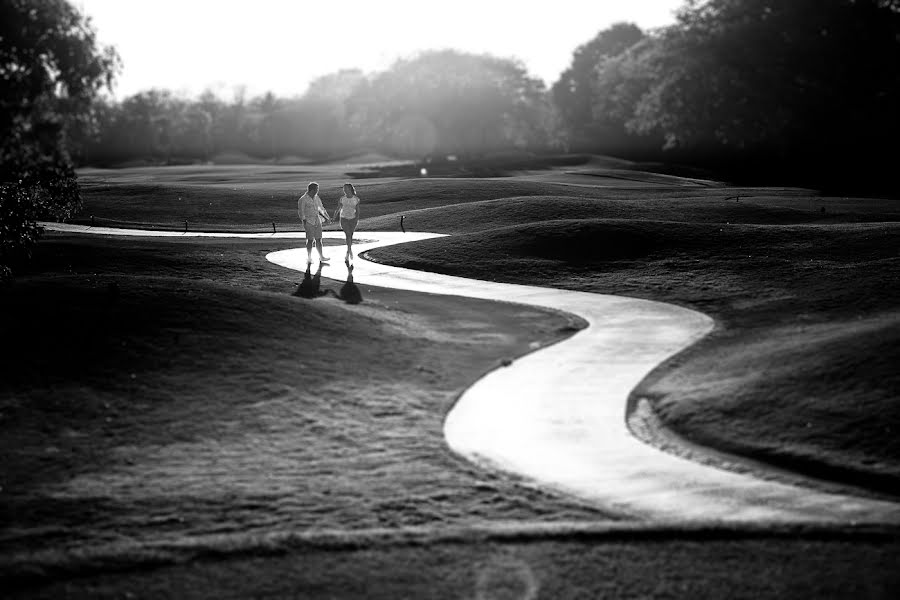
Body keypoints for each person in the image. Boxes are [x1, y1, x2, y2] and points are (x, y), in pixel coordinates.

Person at [298, 182, 330, 263]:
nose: (317, 191)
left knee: (319, 239)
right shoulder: (303, 199)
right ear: (312, 190)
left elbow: (321, 208)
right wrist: (304, 222)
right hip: (309, 221)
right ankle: (309, 257)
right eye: (316, 189)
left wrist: (326, 217)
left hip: (317, 220)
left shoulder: (316, 197)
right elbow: (301, 212)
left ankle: (321, 256)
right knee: (310, 240)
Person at [332, 182, 361, 263]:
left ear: (350, 189)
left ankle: (349, 249)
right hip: (343, 218)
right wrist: (334, 217)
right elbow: (338, 208)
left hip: (353, 219)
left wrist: (356, 219)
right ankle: (348, 252)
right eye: (343, 188)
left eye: (346, 188)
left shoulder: (356, 199)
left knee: (350, 235)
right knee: (347, 233)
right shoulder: (342, 199)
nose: (344, 190)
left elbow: (358, 210)